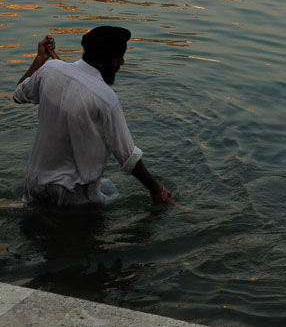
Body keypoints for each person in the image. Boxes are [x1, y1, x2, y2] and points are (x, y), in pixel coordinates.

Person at [13, 26, 172, 207]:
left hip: (34, 184)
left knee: (108, 187)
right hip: (72, 197)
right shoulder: (105, 98)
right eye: (119, 57)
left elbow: (19, 93)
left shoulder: (50, 69)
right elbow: (129, 157)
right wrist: (156, 189)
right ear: (105, 61)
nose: (122, 62)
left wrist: (40, 59)